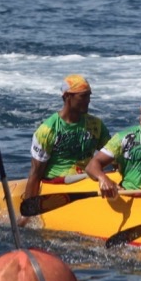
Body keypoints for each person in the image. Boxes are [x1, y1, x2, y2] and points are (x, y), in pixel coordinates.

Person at [22, 74, 110, 212]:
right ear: (67, 96)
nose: (88, 100)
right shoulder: (47, 130)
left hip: (87, 183)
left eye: (89, 95)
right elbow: (35, 174)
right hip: (58, 187)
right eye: (83, 96)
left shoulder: (96, 125)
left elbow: (114, 158)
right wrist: (29, 211)